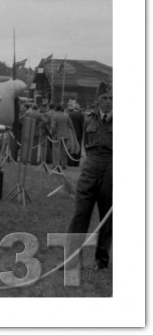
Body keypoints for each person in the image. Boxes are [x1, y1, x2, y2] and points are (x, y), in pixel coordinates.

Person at [66, 81, 112, 270]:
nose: (108, 102)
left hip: (111, 168)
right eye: (104, 98)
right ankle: (71, 259)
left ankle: (101, 260)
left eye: (111, 98)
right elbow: (86, 144)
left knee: (107, 216)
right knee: (80, 213)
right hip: (90, 167)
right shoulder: (88, 119)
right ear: (97, 100)